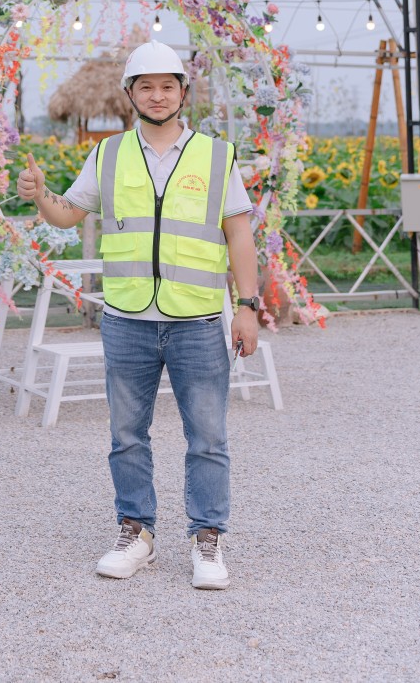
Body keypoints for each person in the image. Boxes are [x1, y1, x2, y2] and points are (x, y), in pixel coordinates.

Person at [17, 40, 261, 591]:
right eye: (145, 86)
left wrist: (247, 306)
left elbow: (239, 233)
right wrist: (40, 195)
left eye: (167, 86)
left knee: (208, 437)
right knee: (127, 434)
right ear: (130, 93)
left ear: (183, 92)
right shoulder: (107, 154)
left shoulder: (217, 156)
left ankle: (207, 538)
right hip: (127, 318)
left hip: (198, 319)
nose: (157, 96)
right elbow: (66, 215)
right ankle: (136, 532)